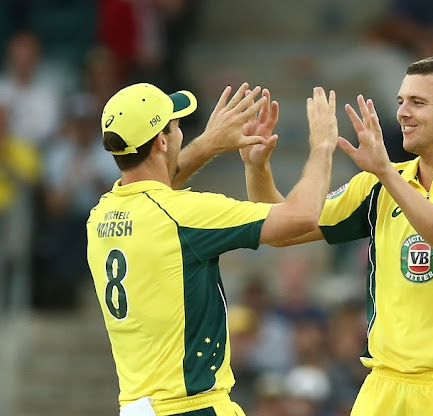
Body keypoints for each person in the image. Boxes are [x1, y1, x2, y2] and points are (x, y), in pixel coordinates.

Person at [241, 56, 433, 415]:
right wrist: (257, 167)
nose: (403, 112)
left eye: (418, 103)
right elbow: (281, 232)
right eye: (400, 102)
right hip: (383, 385)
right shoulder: (376, 184)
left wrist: (387, 173)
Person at [86, 82, 339, 416]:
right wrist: (322, 146)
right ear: (162, 141)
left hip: (137, 406)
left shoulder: (100, 215)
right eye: (176, 127)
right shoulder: (185, 215)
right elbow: (302, 216)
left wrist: (207, 145)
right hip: (192, 405)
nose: (180, 133)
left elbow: (153, 191)